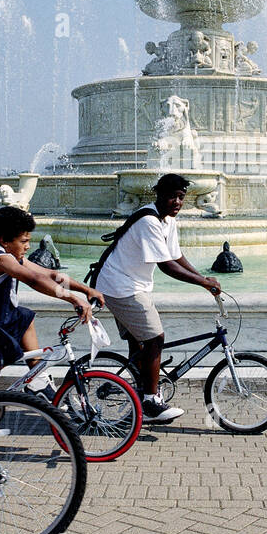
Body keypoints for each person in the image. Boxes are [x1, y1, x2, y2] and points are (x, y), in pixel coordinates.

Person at [0, 206, 104, 400]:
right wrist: (72, 298)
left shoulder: (8, 257)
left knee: (24, 317)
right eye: (24, 241)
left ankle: (36, 380)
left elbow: (49, 274)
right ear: (4, 240)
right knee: (5, 353)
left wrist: (85, 290)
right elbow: (33, 279)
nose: (28, 247)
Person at [95, 173, 220, 423]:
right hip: (121, 286)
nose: (177, 201)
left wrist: (204, 280)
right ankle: (151, 401)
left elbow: (176, 255)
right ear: (159, 195)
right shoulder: (149, 221)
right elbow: (167, 266)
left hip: (127, 285)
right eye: (172, 196)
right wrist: (203, 282)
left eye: (181, 197)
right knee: (155, 339)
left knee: (139, 344)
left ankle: (139, 397)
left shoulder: (168, 220)